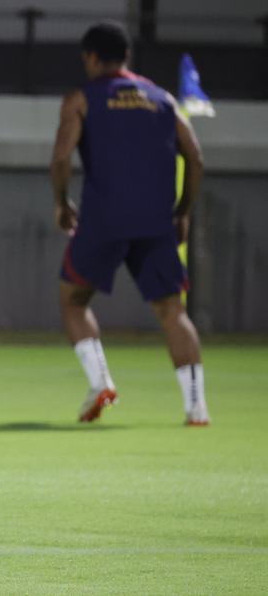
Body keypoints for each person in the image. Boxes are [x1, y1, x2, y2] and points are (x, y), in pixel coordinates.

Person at [51, 21, 209, 426]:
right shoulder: (163, 99)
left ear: (90, 57)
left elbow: (62, 156)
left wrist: (61, 202)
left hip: (103, 218)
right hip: (156, 220)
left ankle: (100, 380)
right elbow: (195, 157)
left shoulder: (81, 99)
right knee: (173, 310)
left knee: (73, 300)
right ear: (126, 57)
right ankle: (196, 407)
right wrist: (182, 211)